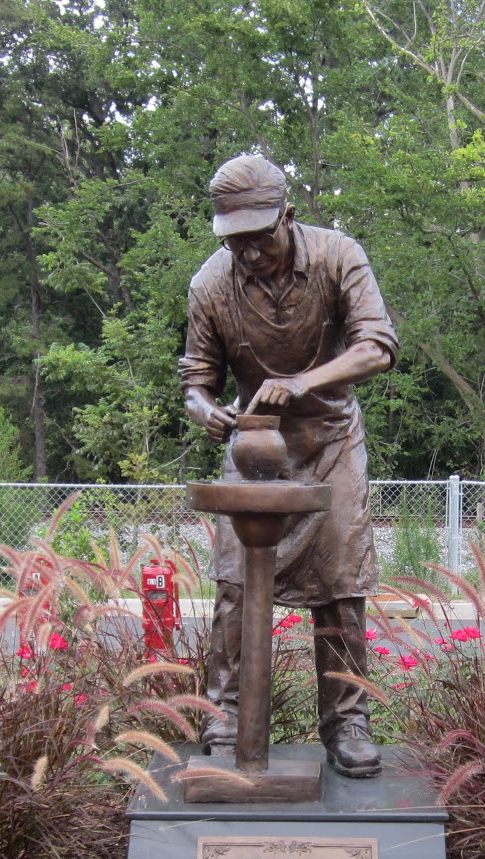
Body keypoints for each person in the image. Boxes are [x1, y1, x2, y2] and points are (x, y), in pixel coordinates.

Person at [179, 154, 397, 778]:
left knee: (341, 586)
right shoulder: (210, 285)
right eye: (235, 241)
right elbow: (197, 378)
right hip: (253, 451)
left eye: (258, 237)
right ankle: (224, 716)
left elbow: (376, 345)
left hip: (330, 441)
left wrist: (302, 382)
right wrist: (206, 410)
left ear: (288, 216)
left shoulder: (337, 255)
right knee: (234, 586)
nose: (248, 253)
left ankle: (347, 721)